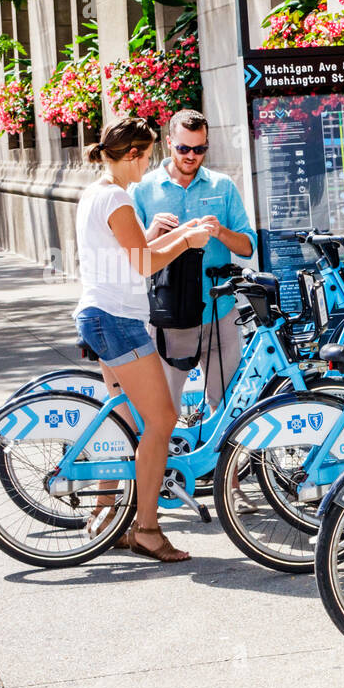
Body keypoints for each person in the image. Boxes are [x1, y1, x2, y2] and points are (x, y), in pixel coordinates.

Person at [75, 118, 216, 563]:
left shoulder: (96, 192)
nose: (151, 164)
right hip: (118, 321)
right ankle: (148, 530)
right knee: (162, 421)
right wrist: (189, 239)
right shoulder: (117, 198)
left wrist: (173, 233)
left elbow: (132, 252)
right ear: (133, 154)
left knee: (126, 422)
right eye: (150, 154)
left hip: (100, 315)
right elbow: (143, 265)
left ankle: (105, 518)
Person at [131, 108, 260, 513]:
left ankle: (231, 487)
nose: (192, 156)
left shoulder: (222, 186)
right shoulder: (145, 188)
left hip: (219, 312)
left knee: (228, 408)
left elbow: (248, 247)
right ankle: (158, 490)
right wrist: (154, 232)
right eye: (185, 148)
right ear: (170, 142)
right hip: (169, 316)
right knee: (162, 413)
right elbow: (132, 251)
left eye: (200, 148)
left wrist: (220, 231)